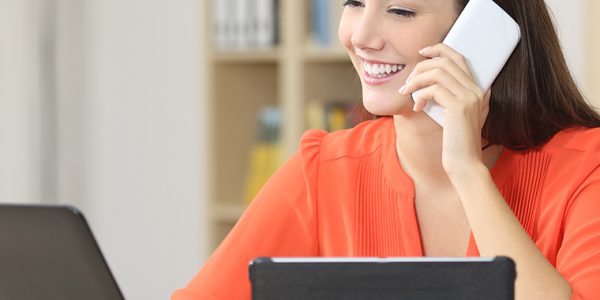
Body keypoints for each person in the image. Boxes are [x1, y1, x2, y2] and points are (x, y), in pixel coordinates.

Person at [173, 0, 600, 299]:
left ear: (484, 32)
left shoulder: (587, 168)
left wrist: (467, 171)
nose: (361, 36)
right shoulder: (324, 169)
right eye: (354, 2)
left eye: (400, 11)